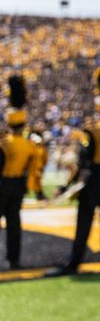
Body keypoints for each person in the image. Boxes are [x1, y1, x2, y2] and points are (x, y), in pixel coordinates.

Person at [47, 67, 100, 276]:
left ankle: (74, 262)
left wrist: (67, 185)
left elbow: (82, 162)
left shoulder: (92, 130)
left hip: (93, 178)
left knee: (85, 220)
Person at [1, 75, 36, 270]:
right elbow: (33, 170)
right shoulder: (31, 145)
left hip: (3, 184)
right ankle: (14, 260)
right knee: (14, 225)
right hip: (19, 187)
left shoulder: (4, 144)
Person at [28, 130, 48, 201]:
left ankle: (39, 194)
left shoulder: (40, 149)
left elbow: (44, 159)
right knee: (34, 182)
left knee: (37, 181)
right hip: (33, 168)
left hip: (38, 167)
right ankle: (39, 194)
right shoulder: (34, 148)